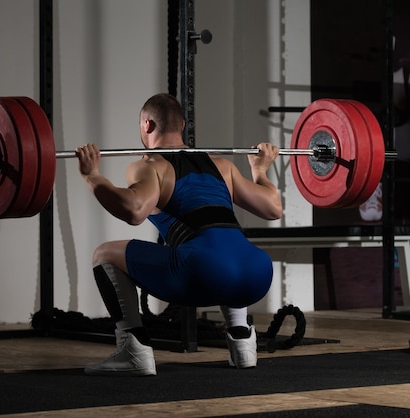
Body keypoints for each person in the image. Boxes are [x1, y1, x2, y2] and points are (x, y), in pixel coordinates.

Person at [76, 93, 282, 376]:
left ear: (147, 125)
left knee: (104, 254)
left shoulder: (150, 166)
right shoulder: (223, 166)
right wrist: (260, 170)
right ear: (182, 125)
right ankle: (243, 344)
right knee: (224, 247)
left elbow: (134, 210)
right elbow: (273, 208)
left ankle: (133, 350)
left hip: (203, 273)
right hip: (257, 273)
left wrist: (92, 176)